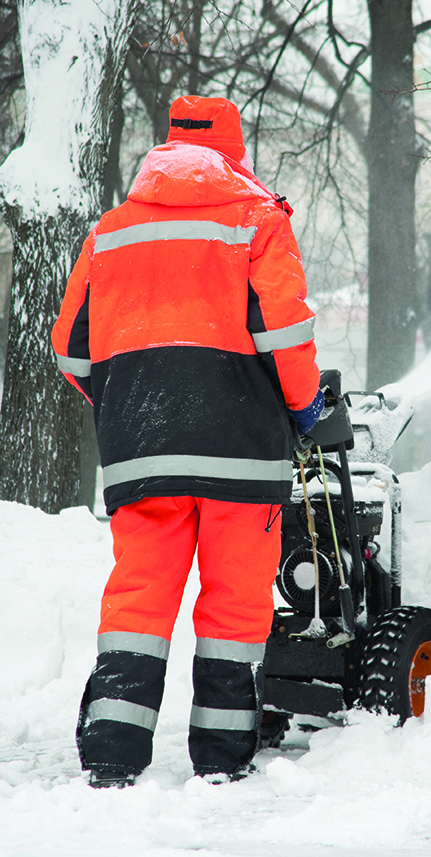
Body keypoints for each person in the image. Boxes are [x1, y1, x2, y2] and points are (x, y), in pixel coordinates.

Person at [52, 96, 323, 788]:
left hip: (141, 448)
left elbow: (71, 348)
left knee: (138, 601)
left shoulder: (110, 232)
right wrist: (304, 406)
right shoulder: (257, 222)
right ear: (234, 154)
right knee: (234, 605)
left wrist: (125, 401)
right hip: (241, 453)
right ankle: (221, 760)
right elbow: (285, 334)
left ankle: (112, 753)